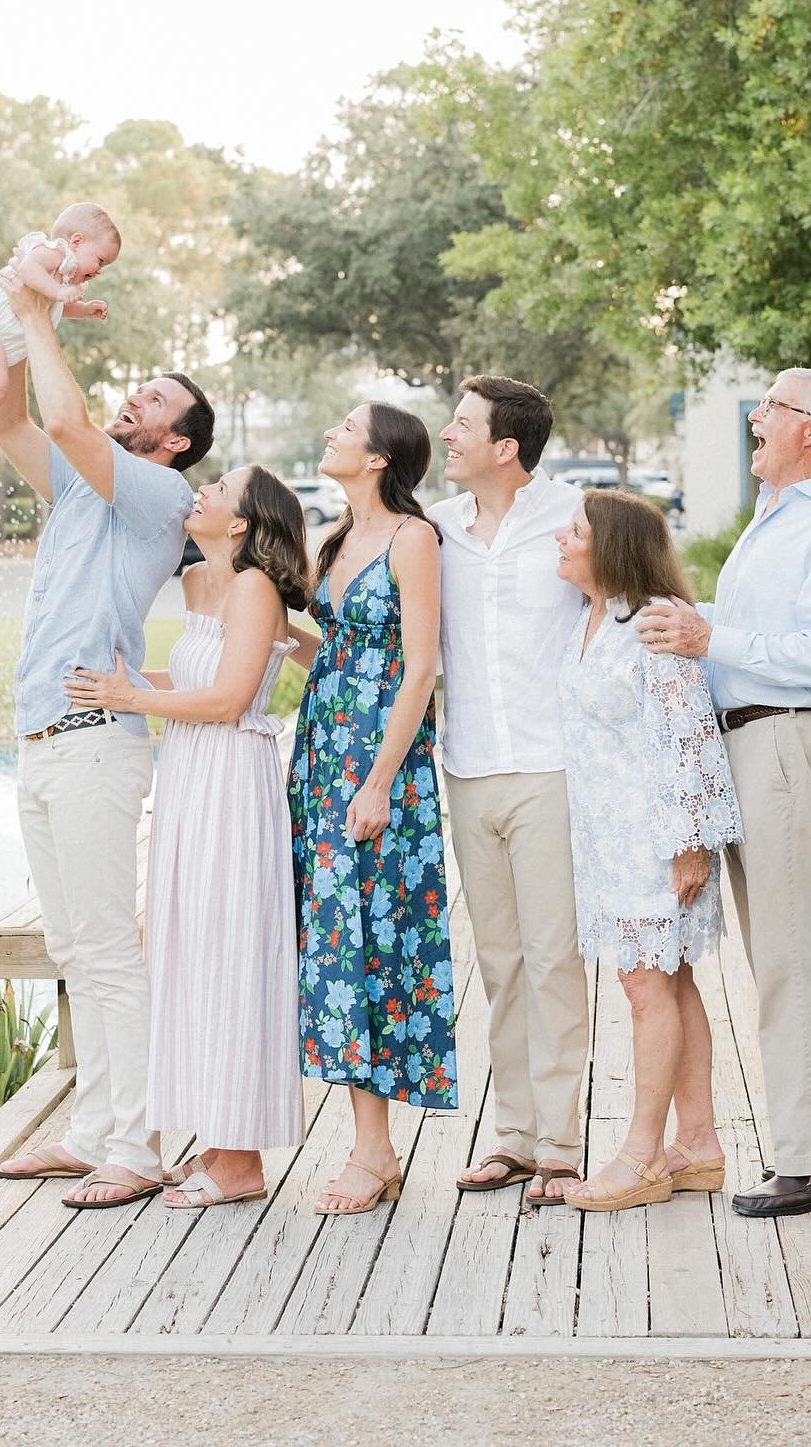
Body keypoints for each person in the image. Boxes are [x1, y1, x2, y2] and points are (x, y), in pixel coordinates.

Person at [638, 366, 811, 1219]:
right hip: (753, 738)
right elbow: (760, 637)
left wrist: (709, 633)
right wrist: (688, 623)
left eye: (772, 406)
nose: (756, 417)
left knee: (789, 955)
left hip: (787, 733)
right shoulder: (777, 518)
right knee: (787, 944)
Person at [0, 266, 214, 1210]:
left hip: (93, 739)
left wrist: (43, 320)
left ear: (177, 440)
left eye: (153, 397)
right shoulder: (84, 491)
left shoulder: (155, 497)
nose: (136, 397)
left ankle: (139, 1146)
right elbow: (9, 420)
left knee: (111, 951)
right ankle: (90, 1134)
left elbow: (72, 422)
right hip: (42, 742)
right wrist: (13, 305)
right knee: (77, 949)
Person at [64, 466, 308, 1208]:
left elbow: (233, 699)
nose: (200, 489)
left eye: (219, 487)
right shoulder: (201, 581)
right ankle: (207, 1138)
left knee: (230, 954)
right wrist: (132, 680)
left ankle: (240, 1164)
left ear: (240, 522)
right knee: (186, 950)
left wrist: (130, 696)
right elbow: (198, 674)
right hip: (190, 778)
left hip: (233, 781)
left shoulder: (257, 588)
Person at [287, 402, 455, 1215]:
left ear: (380, 457)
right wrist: (302, 647)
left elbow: (419, 667)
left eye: (346, 427)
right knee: (333, 944)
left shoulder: (411, 539)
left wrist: (382, 780)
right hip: (324, 756)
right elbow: (354, 651)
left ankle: (374, 1151)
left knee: (373, 945)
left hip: (377, 765)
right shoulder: (338, 538)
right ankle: (368, 1144)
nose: (333, 434)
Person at [554, 491, 742, 1212]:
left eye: (574, 533)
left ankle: (641, 1157)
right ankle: (698, 1144)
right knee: (670, 980)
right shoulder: (589, 619)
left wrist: (692, 846)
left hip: (658, 837)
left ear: (613, 546)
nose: (562, 542)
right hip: (608, 839)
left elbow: (691, 735)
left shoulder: (652, 621)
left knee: (644, 989)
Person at [430, 376, 589, 1205]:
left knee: (554, 958)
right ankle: (515, 1139)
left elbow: (624, 612)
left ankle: (561, 1147)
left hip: (553, 768)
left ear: (506, 448)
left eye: (462, 426)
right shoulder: (439, 527)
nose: (445, 436)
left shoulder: (575, 517)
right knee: (499, 962)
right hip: (468, 768)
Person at [0, 202, 120, 481]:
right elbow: (28, 270)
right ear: (76, 242)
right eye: (100, 260)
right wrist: (58, 290)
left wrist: (83, 309)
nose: (99, 271)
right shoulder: (53, 252)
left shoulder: (60, 277)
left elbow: (55, 304)